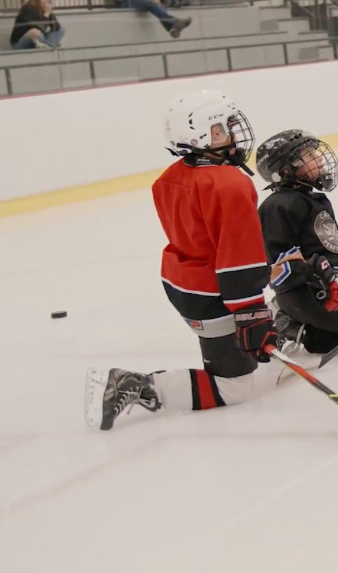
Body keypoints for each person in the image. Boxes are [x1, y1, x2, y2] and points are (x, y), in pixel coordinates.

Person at [84, 91, 276, 430]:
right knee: (234, 386)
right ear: (206, 133)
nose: (231, 134)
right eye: (223, 127)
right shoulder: (230, 183)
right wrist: (251, 314)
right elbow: (237, 259)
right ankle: (136, 385)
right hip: (212, 294)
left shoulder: (170, 177)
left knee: (242, 351)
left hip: (181, 283)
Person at [255, 129, 338, 356]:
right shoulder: (277, 207)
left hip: (326, 287)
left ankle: (299, 319)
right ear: (286, 170)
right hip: (303, 293)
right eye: (308, 156)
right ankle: (289, 325)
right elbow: (278, 270)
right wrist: (317, 274)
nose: (318, 158)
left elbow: (326, 252)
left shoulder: (314, 199)